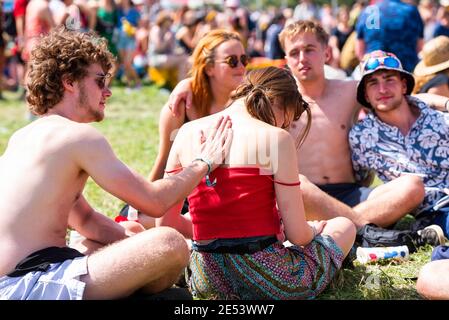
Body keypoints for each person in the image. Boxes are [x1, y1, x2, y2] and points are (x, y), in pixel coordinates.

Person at [0, 27, 232, 300]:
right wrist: (203, 162)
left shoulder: (24, 136)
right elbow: (154, 202)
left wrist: (133, 240)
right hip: (31, 284)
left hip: (24, 280)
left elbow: (85, 220)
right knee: (168, 243)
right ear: (70, 82)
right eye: (100, 81)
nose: (107, 91)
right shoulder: (77, 136)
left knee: (128, 231)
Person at [169, 20, 448, 231]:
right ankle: (363, 227)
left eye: (310, 50)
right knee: (298, 184)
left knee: (412, 185)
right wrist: (185, 85)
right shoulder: (272, 97)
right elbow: (225, 94)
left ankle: (355, 225)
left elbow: (399, 95)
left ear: (326, 53)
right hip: (298, 194)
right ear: (286, 59)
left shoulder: (351, 91)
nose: (302, 58)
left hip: (351, 193)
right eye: (295, 52)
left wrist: (442, 104)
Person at [157, 66, 356, 300]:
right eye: (288, 120)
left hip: (205, 277)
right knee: (344, 226)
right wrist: (314, 229)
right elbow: (299, 236)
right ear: (282, 102)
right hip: (272, 279)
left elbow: (166, 222)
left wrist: (217, 231)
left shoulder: (186, 132)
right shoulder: (277, 139)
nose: (284, 126)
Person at [125, 29, 247, 229]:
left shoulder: (247, 103)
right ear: (209, 68)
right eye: (232, 61)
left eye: (244, 59)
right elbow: (164, 162)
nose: (241, 67)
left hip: (229, 199)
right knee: (138, 223)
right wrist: (144, 204)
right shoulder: (181, 108)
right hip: (183, 200)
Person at [350, 50, 449, 238]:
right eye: (373, 83)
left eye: (389, 79)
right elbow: (357, 182)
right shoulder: (362, 136)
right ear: (366, 94)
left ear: (404, 85)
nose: (382, 89)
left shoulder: (439, 120)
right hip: (436, 209)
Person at [355, 0, 424, 72]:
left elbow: (359, 51)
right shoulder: (411, 11)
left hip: (373, 74)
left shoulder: (367, 11)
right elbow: (420, 47)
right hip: (406, 74)